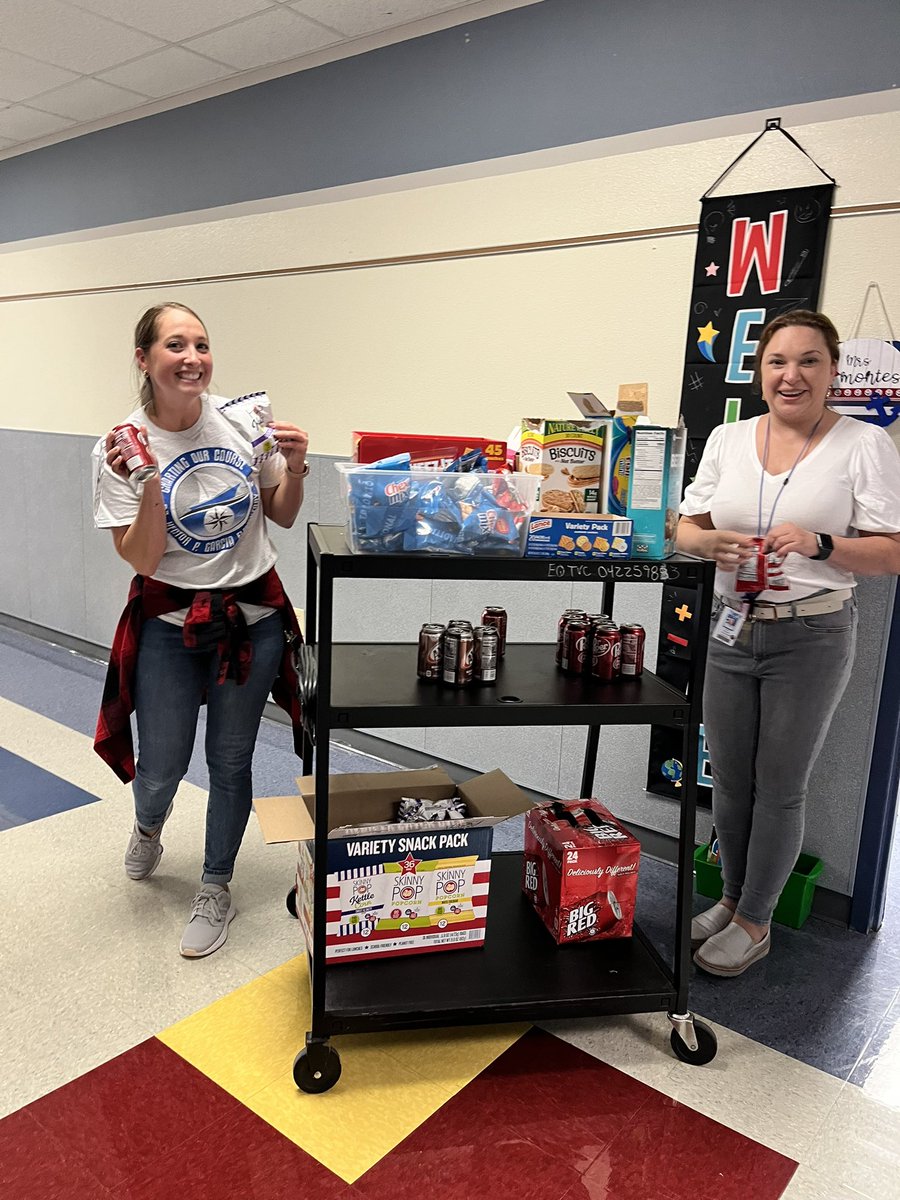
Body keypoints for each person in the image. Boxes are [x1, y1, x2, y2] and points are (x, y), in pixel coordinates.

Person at [677, 309, 900, 977]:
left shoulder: (864, 445)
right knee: (733, 784)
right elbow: (686, 527)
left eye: (808, 361)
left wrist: (820, 542)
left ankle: (756, 920)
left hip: (812, 633)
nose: (791, 375)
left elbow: (892, 553)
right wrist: (708, 541)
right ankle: (734, 897)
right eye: (778, 361)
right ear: (760, 372)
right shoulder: (727, 437)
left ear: (833, 372)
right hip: (730, 629)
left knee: (779, 787)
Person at [92, 302, 308, 958]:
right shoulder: (120, 447)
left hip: (252, 618)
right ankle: (149, 824)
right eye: (175, 345)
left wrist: (295, 466)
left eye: (202, 345)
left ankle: (217, 886)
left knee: (231, 758)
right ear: (144, 360)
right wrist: (152, 480)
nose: (193, 358)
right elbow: (143, 558)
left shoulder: (248, 421)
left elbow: (283, 513)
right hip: (168, 624)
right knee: (161, 763)